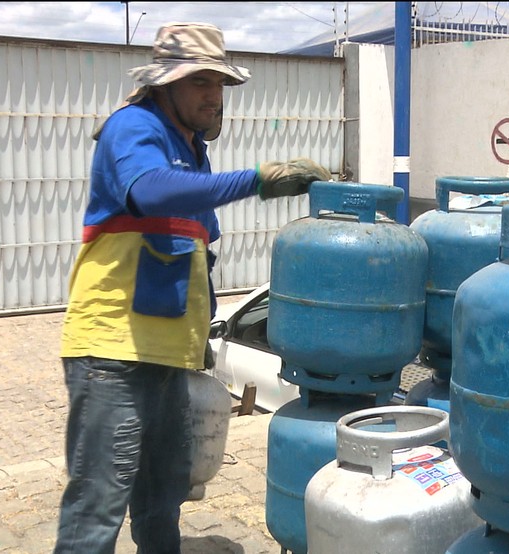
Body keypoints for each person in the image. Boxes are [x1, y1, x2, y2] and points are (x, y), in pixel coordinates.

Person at [54, 22, 331, 553]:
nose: (214, 95)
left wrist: (199, 337)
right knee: (98, 505)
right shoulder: (132, 128)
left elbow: (196, 257)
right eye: (200, 82)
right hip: (114, 353)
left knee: (162, 498)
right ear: (165, 84)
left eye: (220, 83)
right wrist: (256, 180)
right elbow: (150, 193)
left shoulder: (191, 152)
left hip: (167, 359)